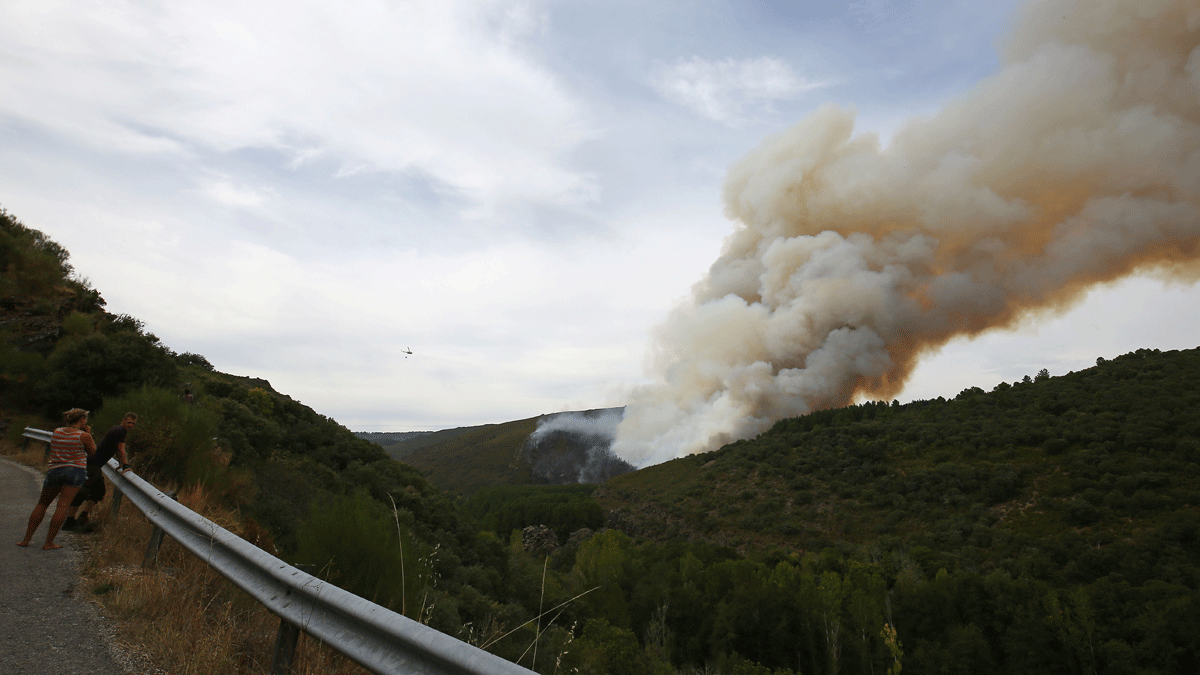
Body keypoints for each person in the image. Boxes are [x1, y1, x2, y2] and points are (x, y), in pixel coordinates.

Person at [17, 408, 95, 550]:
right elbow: (93, 453)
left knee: (42, 504)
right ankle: (49, 542)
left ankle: (26, 539)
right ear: (82, 420)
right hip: (75, 472)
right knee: (63, 506)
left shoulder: (57, 431)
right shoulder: (84, 436)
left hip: (55, 470)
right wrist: (88, 433)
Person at [63, 412, 137, 531]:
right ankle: (70, 521)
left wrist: (121, 464)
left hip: (94, 464)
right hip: (93, 465)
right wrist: (126, 465)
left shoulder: (117, 430)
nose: (130, 425)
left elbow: (116, 449)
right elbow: (121, 450)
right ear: (123, 421)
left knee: (98, 492)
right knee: (83, 492)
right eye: (128, 422)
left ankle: (81, 518)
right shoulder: (120, 431)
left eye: (133, 424)